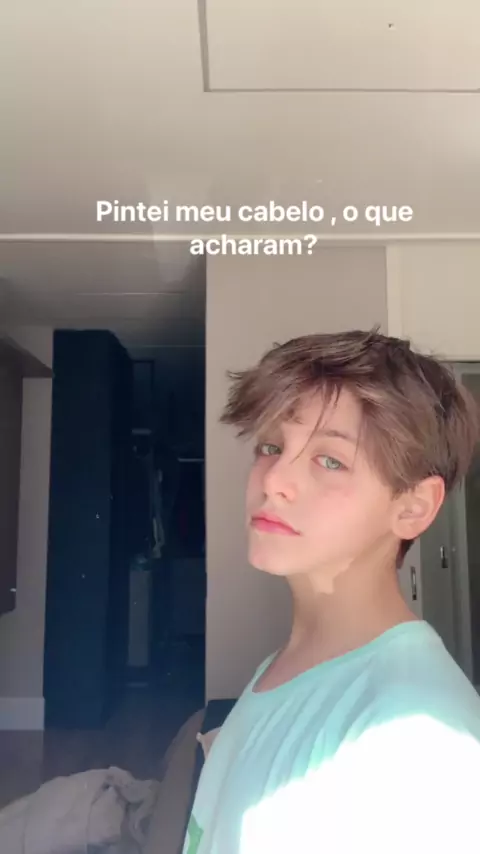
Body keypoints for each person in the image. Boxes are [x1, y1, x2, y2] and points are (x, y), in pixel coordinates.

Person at [183, 328, 480, 854]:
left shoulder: (417, 737)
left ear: (413, 507)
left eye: (330, 460)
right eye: (271, 447)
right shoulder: (287, 665)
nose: (273, 479)